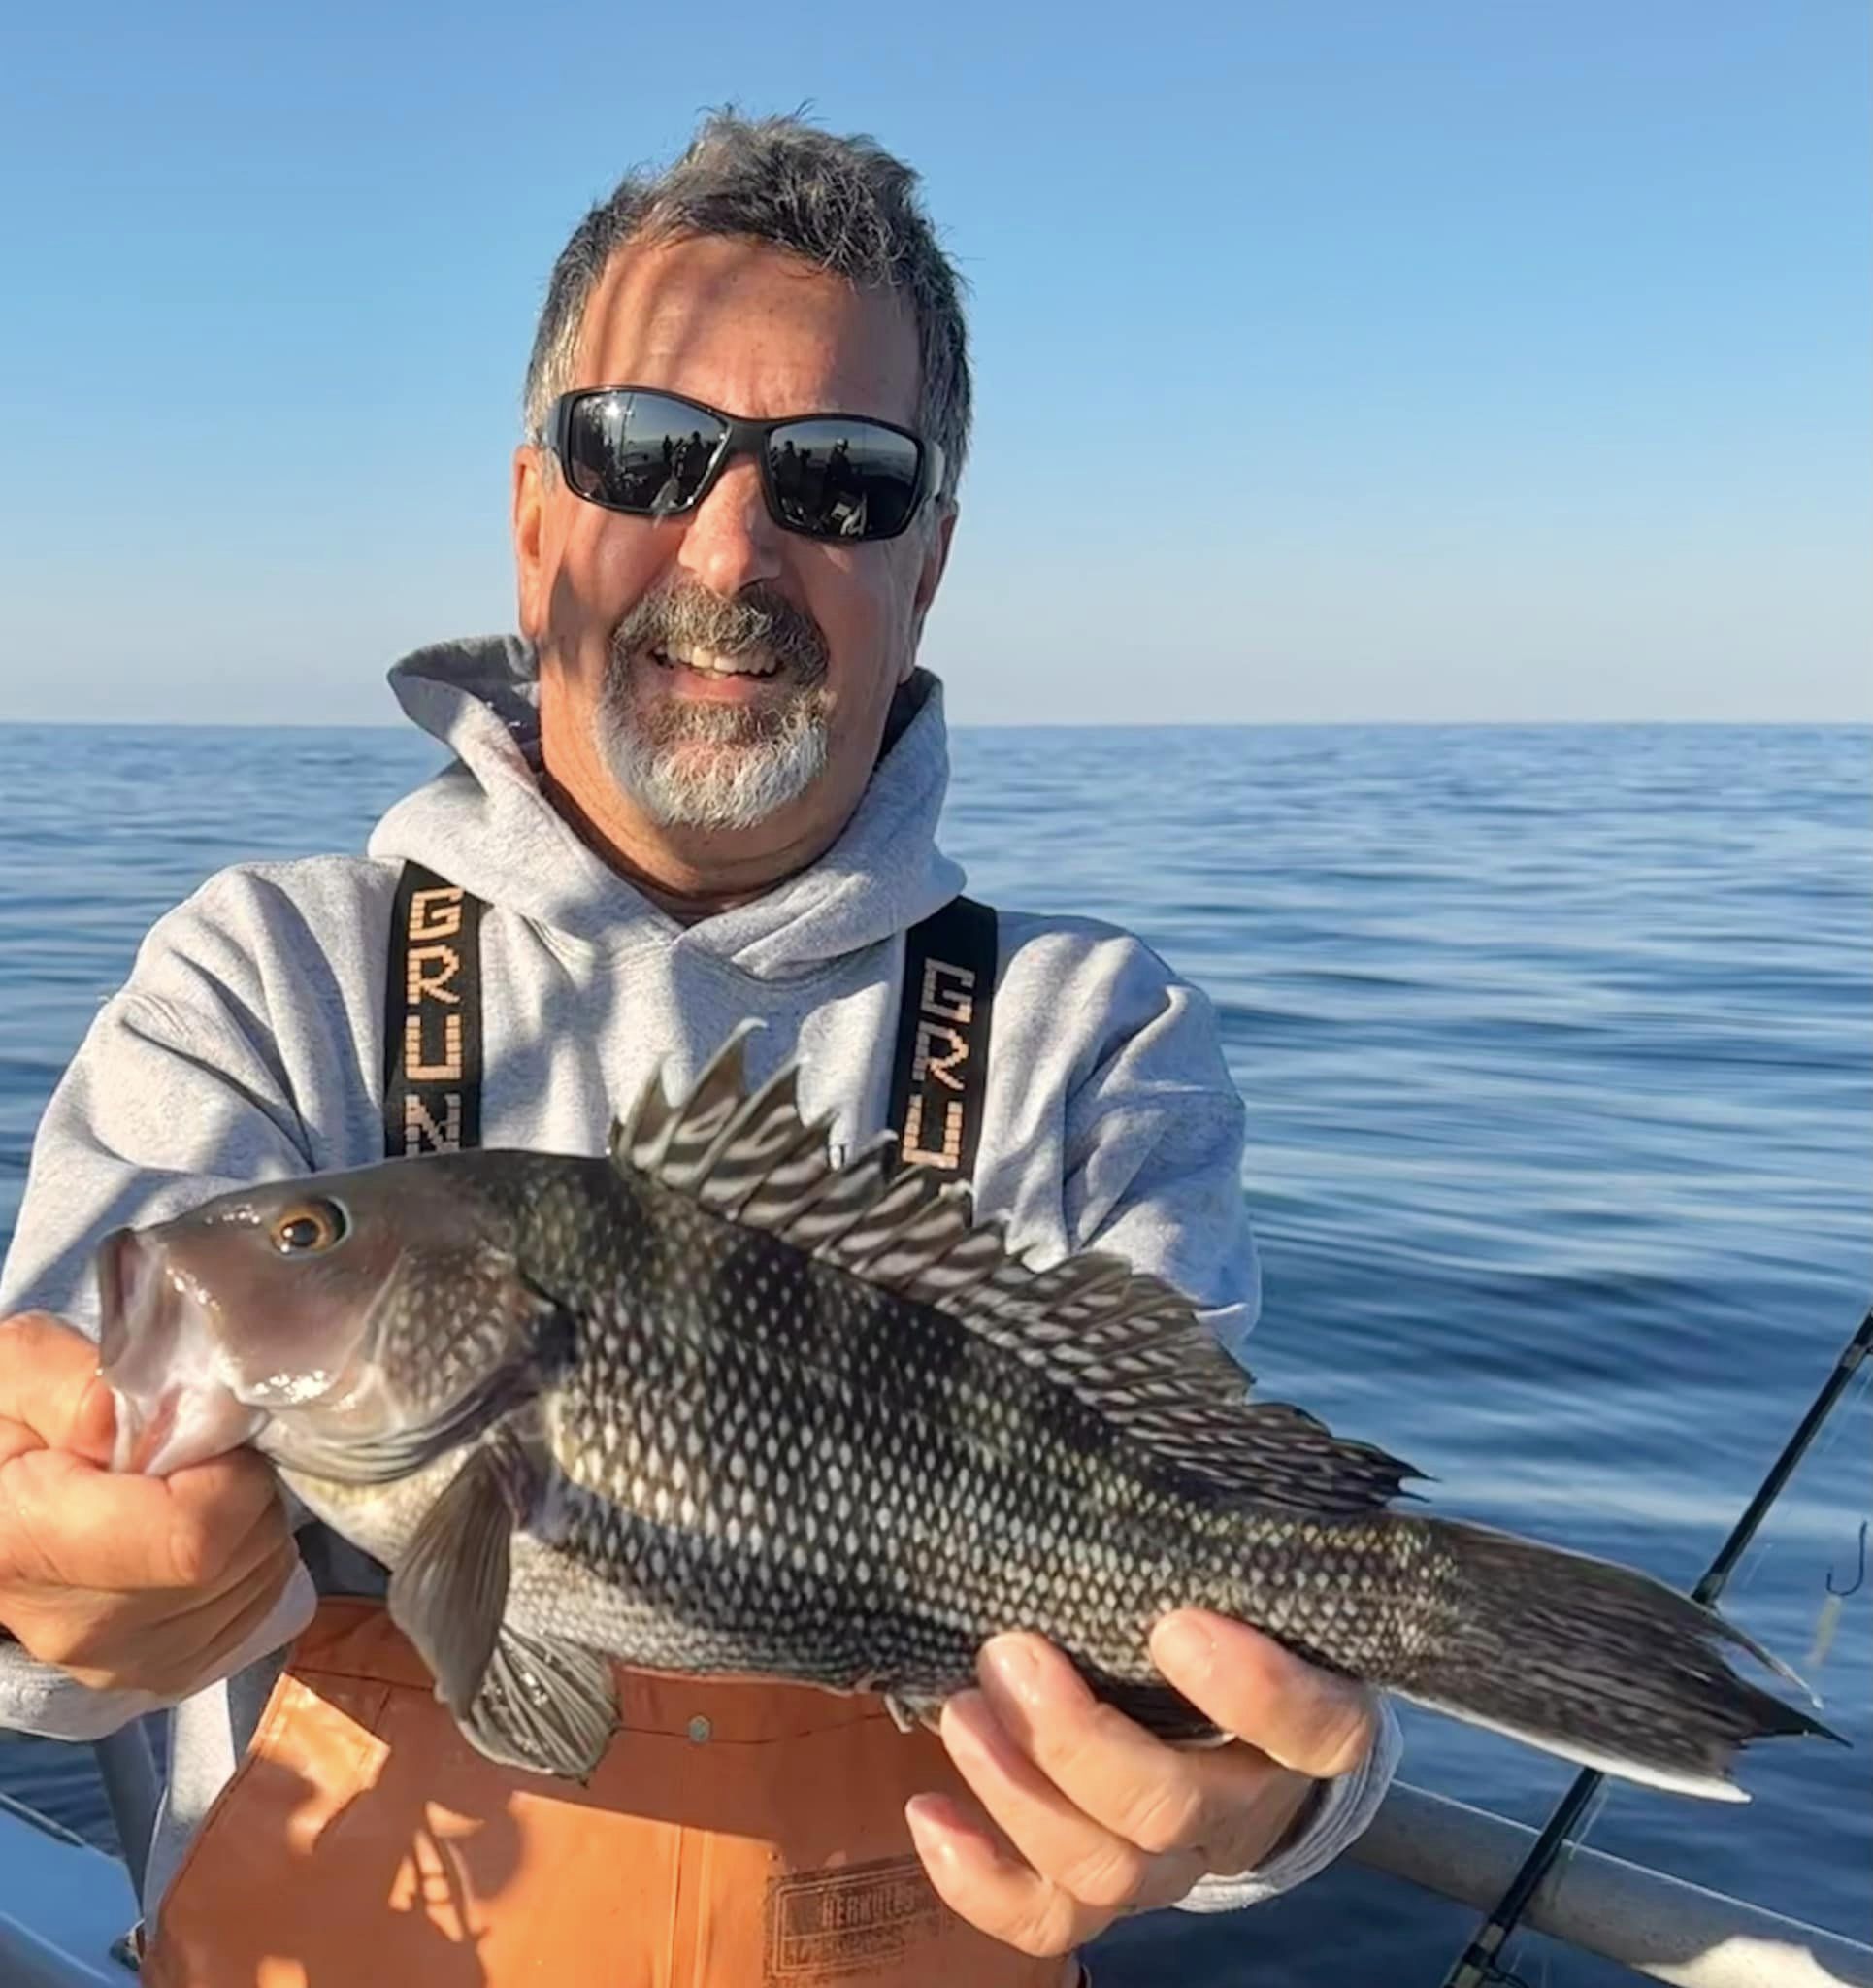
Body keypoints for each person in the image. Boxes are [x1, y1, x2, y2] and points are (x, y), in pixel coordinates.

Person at [0, 114, 1398, 1986]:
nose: (731, 547)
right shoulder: (270, 977)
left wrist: (1264, 1796)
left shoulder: (1084, 1034)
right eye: (643, 451)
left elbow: (1218, 1579)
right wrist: (46, 1588)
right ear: (532, 517)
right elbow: (42, 1573)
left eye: (841, 479)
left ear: (928, 562)